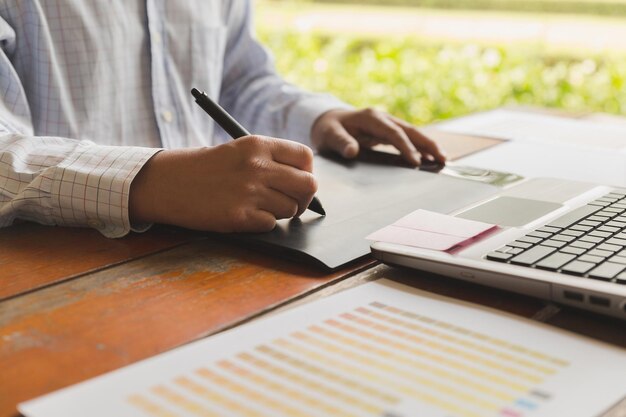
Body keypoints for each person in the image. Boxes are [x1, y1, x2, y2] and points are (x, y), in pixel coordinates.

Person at [0, 1, 446, 238]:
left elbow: (237, 80)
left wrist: (319, 117)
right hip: (62, 271)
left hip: (224, 255)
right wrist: (149, 181)